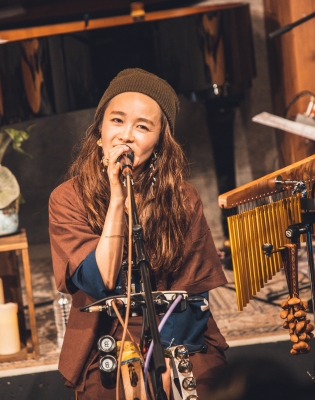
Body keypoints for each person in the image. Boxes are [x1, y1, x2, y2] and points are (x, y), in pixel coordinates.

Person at [49, 68, 228, 399]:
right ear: (100, 130)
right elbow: (98, 281)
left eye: (142, 127)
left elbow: (193, 293)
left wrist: (167, 356)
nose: (126, 135)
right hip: (106, 335)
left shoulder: (184, 198)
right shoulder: (68, 197)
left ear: (159, 142)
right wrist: (117, 200)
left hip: (178, 330)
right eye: (117, 121)